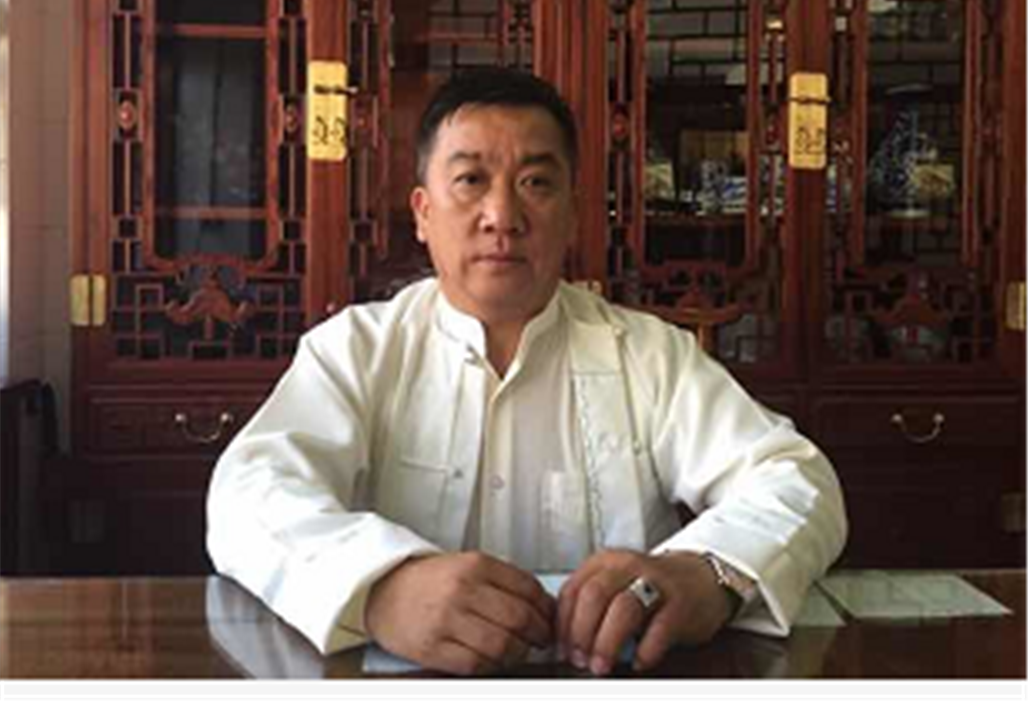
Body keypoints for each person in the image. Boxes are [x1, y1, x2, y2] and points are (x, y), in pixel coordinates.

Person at [206, 67, 847, 677]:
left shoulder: (650, 354)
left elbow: (798, 481)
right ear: (423, 213)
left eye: (536, 183)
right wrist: (381, 589)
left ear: (572, 212)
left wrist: (708, 574)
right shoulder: (355, 351)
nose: (502, 216)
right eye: (470, 180)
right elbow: (247, 497)